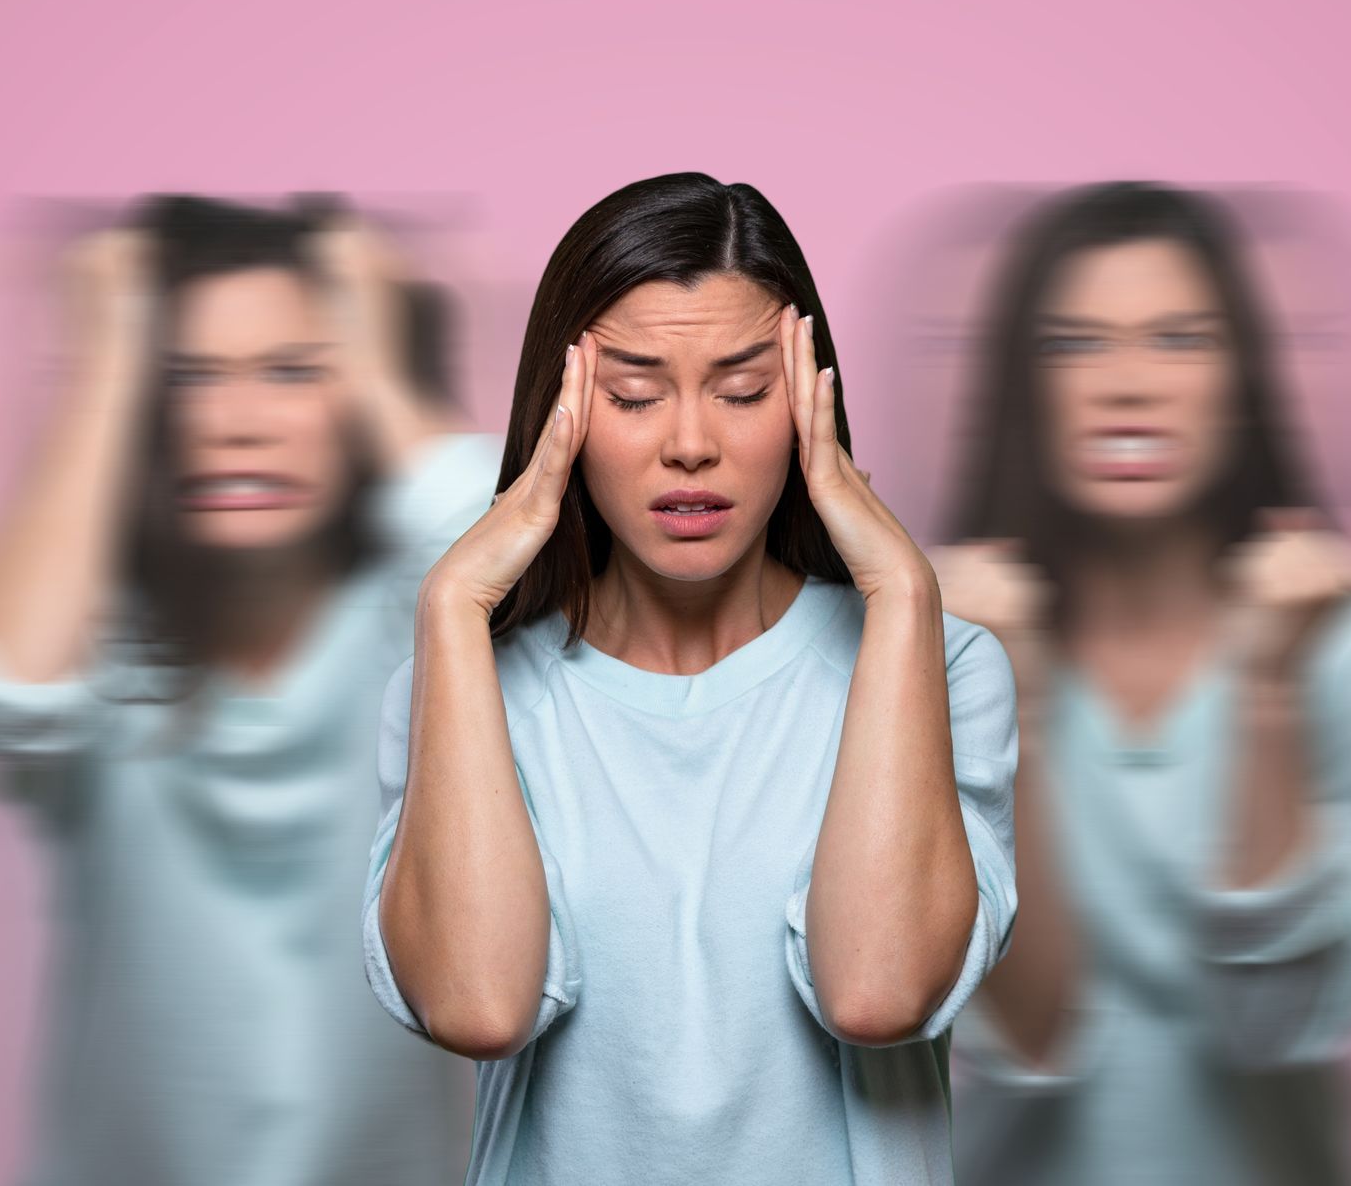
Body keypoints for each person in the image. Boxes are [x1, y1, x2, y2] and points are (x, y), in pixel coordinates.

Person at [360, 172, 1020, 1185]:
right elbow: (479, 1008)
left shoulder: (946, 666)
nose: (690, 446)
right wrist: (452, 604)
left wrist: (900, 590)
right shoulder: (459, 685)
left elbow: (877, 993)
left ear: (809, 401)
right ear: (561, 412)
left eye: (744, 392)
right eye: (633, 396)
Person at [0, 194, 495, 1185]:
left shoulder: (418, 629)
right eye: (186, 377)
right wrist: (107, 359)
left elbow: (521, 576)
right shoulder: (102, 645)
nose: (236, 424)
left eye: (293, 371)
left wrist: (373, 358)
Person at [933, 181, 1351, 1185]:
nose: (1130, 386)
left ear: (1243, 375)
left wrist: (1268, 690)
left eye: (1180, 339)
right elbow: (1029, 1045)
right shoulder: (939, 654)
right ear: (1020, 385)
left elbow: (1275, 1025)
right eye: (1073, 344)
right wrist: (1013, 697)